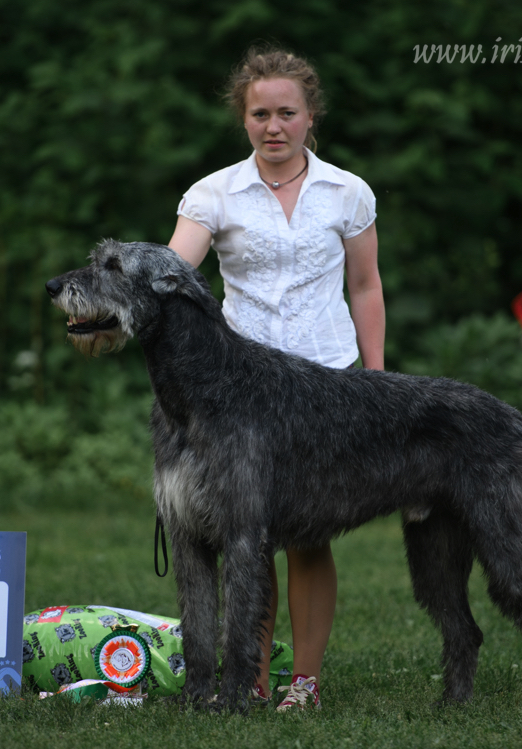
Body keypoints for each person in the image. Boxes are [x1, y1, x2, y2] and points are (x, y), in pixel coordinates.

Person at [167, 47, 385, 711]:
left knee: (311, 534)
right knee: (247, 535)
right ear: (243, 117)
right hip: (242, 391)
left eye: (287, 113)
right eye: (260, 113)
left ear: (309, 115)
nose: (274, 126)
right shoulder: (213, 194)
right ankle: (250, 681)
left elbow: (367, 286)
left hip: (328, 381)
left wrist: (376, 382)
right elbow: (177, 273)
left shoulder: (348, 192)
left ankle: (306, 683)